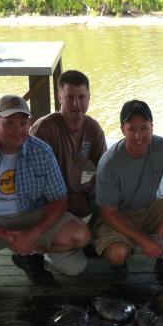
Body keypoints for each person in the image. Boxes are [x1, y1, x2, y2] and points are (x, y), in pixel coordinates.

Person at [0, 94, 90, 299]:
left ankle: (31, 255)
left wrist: (33, 234)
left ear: (30, 123)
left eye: (23, 123)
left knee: (80, 237)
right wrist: (8, 236)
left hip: (31, 214)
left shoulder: (42, 151)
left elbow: (59, 200)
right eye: (10, 123)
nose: (18, 130)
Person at [94, 99, 163, 281]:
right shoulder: (109, 163)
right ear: (122, 130)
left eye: (144, 128)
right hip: (119, 216)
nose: (138, 136)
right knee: (117, 254)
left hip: (148, 208)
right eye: (132, 129)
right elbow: (108, 213)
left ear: (152, 127)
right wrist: (142, 239)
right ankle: (119, 261)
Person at [30, 70, 107, 221]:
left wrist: (87, 194)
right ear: (59, 98)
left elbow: (105, 168)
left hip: (80, 196)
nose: (76, 104)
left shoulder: (92, 128)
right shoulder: (44, 128)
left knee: (113, 196)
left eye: (81, 97)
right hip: (50, 201)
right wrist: (63, 201)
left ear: (89, 98)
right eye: (69, 97)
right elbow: (32, 177)